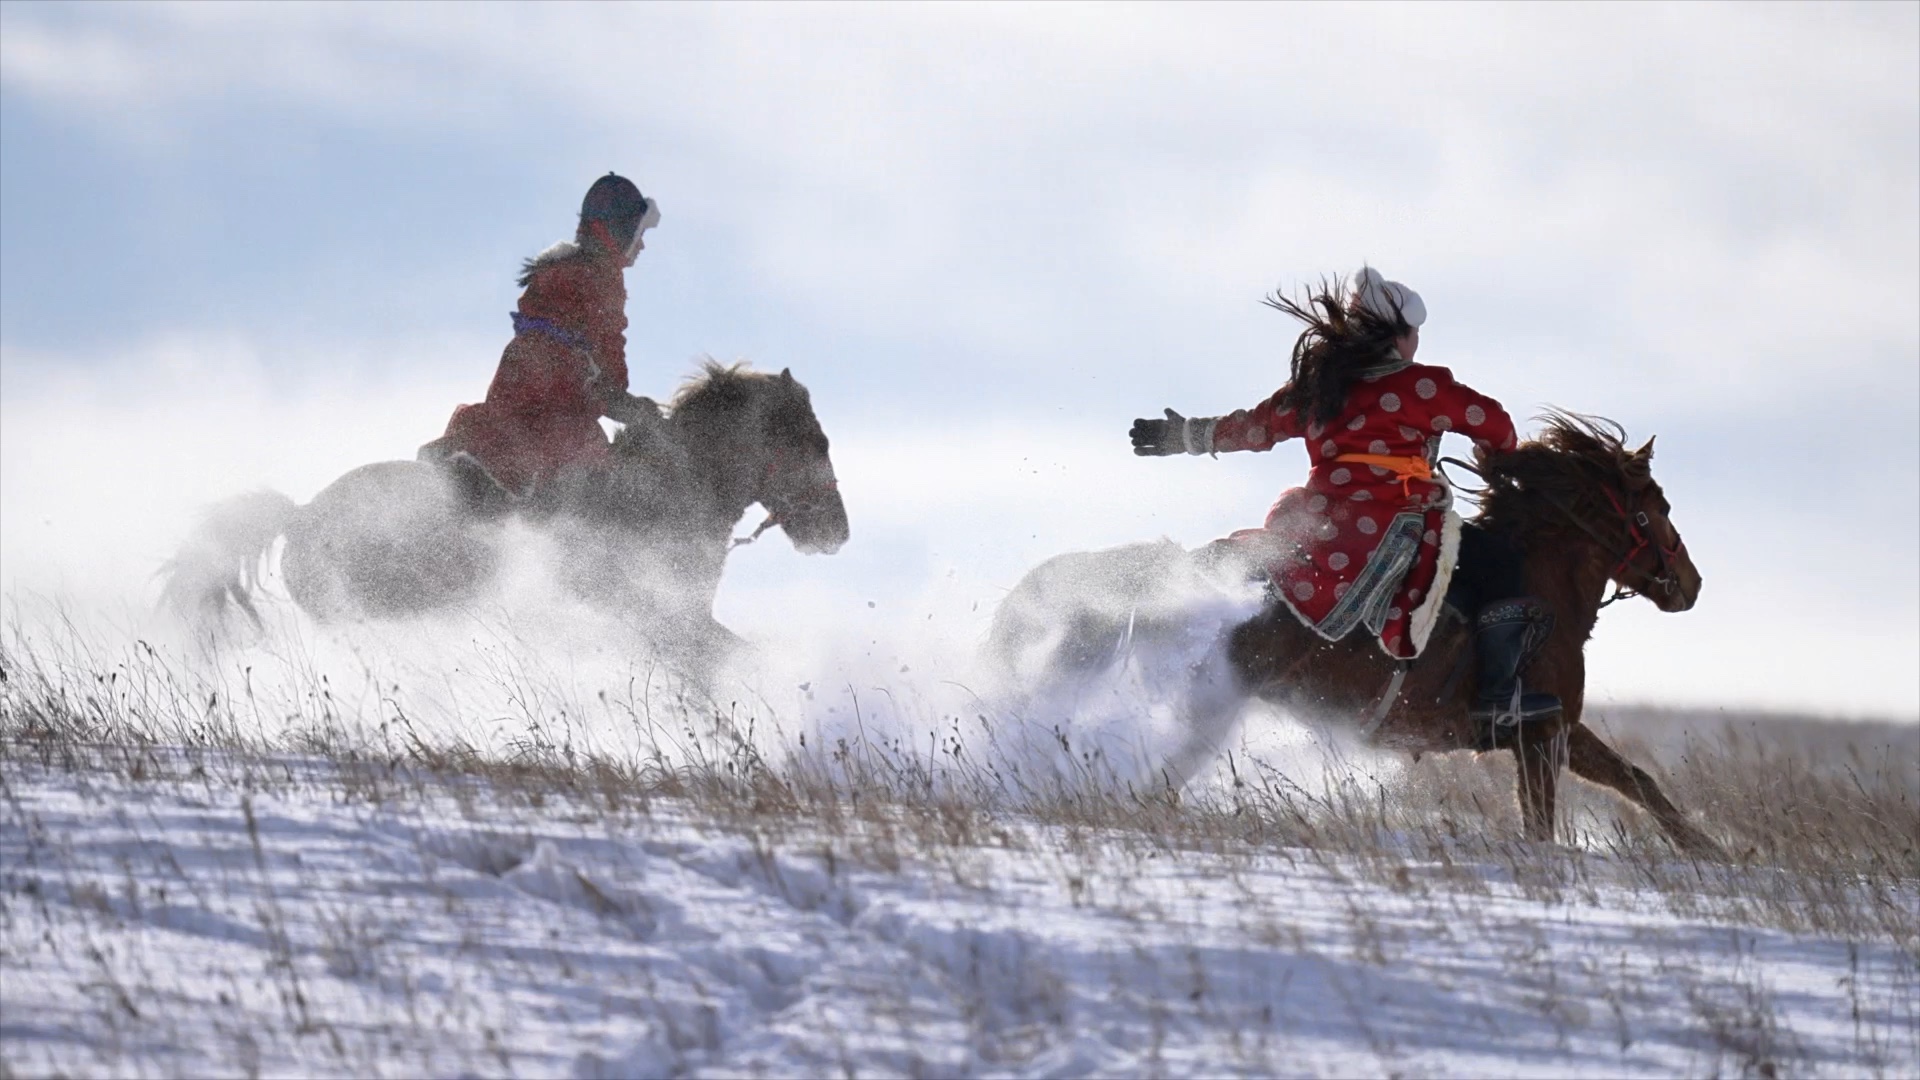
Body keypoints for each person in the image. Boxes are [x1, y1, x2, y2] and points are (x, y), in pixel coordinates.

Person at [1129, 267, 1558, 749]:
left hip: (1314, 522)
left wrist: (1183, 435)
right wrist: (1497, 457)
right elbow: (1496, 423)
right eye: (1414, 334)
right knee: (1501, 564)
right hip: (1395, 524)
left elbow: (1256, 427)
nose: (1417, 343)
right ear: (1398, 337)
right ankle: (1499, 699)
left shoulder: (1320, 386)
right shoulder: (1424, 388)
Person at [422, 173, 664, 513]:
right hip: (558, 396)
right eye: (639, 233)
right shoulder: (602, 278)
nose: (642, 245)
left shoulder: (560, 271)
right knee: (597, 493)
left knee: (510, 447)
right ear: (620, 230)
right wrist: (635, 410)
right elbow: (607, 365)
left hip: (519, 384)